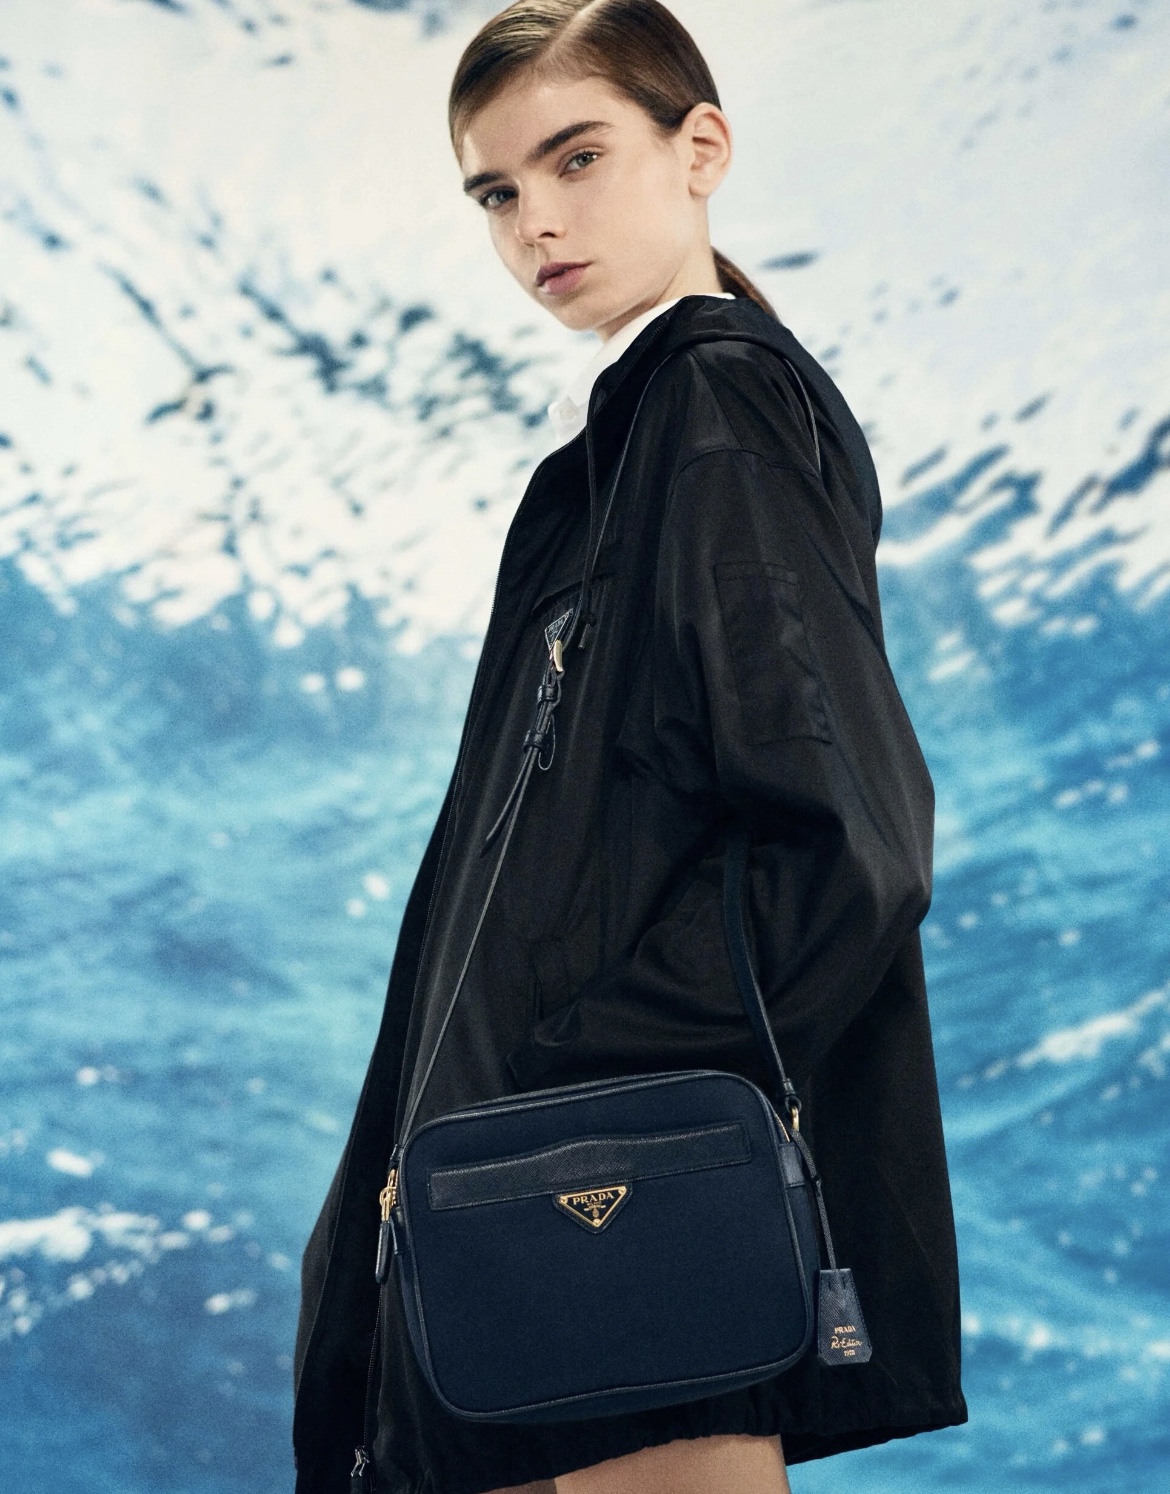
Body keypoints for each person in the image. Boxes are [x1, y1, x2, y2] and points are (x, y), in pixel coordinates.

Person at [292, 3, 968, 1491]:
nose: (535, 220)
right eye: (495, 191)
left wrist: (583, 1089)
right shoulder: (625, 438)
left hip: (609, 1206)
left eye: (577, 157)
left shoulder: (712, 404)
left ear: (700, 147)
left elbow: (848, 842)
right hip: (543, 1204)